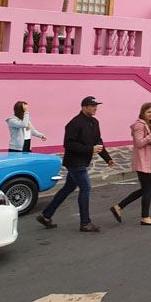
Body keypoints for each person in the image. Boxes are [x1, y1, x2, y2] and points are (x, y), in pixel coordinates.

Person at [36, 96, 114, 233]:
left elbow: (98, 141)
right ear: (84, 107)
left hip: (83, 161)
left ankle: (45, 215)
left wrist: (107, 158)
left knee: (68, 188)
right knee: (86, 188)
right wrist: (90, 149)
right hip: (74, 162)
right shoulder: (74, 123)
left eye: (96, 105)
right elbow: (68, 144)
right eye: (92, 105)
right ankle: (85, 223)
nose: (96, 108)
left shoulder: (95, 122)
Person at [111, 103, 151, 226]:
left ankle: (118, 207)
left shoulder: (149, 124)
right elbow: (139, 143)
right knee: (148, 189)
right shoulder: (139, 125)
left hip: (147, 160)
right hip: (142, 161)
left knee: (146, 189)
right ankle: (145, 217)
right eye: (148, 112)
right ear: (142, 112)